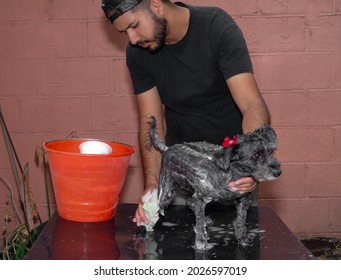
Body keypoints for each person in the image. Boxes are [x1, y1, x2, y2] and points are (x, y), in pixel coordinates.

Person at [101, 0, 271, 227]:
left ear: (156, 6)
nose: (132, 39)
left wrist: (250, 166)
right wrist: (153, 183)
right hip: (180, 171)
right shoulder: (138, 52)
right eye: (125, 32)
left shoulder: (215, 27)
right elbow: (151, 122)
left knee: (236, 250)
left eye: (134, 25)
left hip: (231, 172)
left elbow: (252, 105)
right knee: (175, 250)